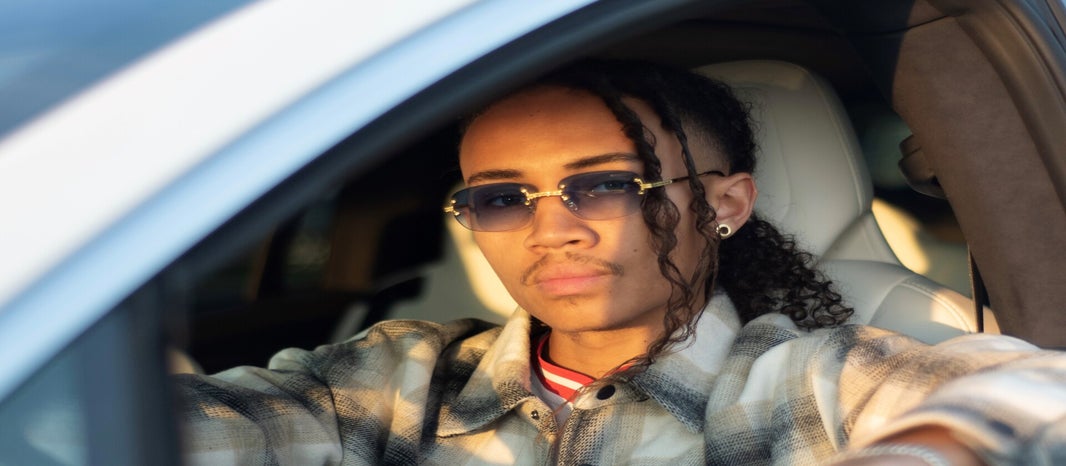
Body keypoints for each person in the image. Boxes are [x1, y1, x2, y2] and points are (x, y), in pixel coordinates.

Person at [175, 59, 1066, 465]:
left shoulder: (808, 382)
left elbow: (1040, 395)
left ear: (725, 204)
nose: (551, 230)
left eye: (603, 185)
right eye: (502, 197)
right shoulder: (393, 383)